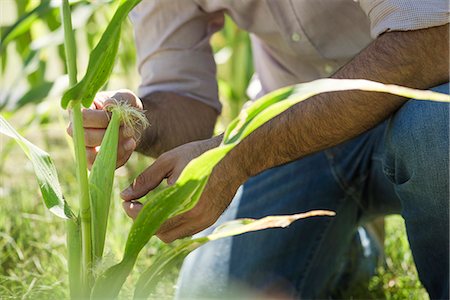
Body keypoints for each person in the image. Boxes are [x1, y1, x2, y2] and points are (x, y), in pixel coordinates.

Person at [69, 1, 449, 298]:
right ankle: (347, 249)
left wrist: (240, 154)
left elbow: (428, 43)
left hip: (419, 104)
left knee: (436, 133)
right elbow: (186, 101)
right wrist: (138, 119)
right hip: (292, 142)